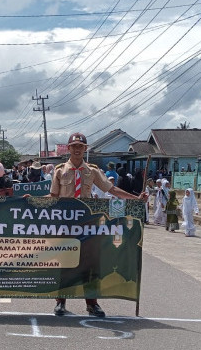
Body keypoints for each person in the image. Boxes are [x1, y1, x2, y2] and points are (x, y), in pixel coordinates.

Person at [50, 131, 145, 318]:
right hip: (66, 224)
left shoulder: (92, 171)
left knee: (90, 264)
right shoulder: (60, 170)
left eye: (81, 147)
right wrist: (31, 202)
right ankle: (61, 301)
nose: (77, 150)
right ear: (68, 148)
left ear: (85, 149)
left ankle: (92, 303)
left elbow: (112, 189)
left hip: (88, 224)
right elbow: (53, 197)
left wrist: (136, 199)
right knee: (66, 263)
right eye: (74, 146)